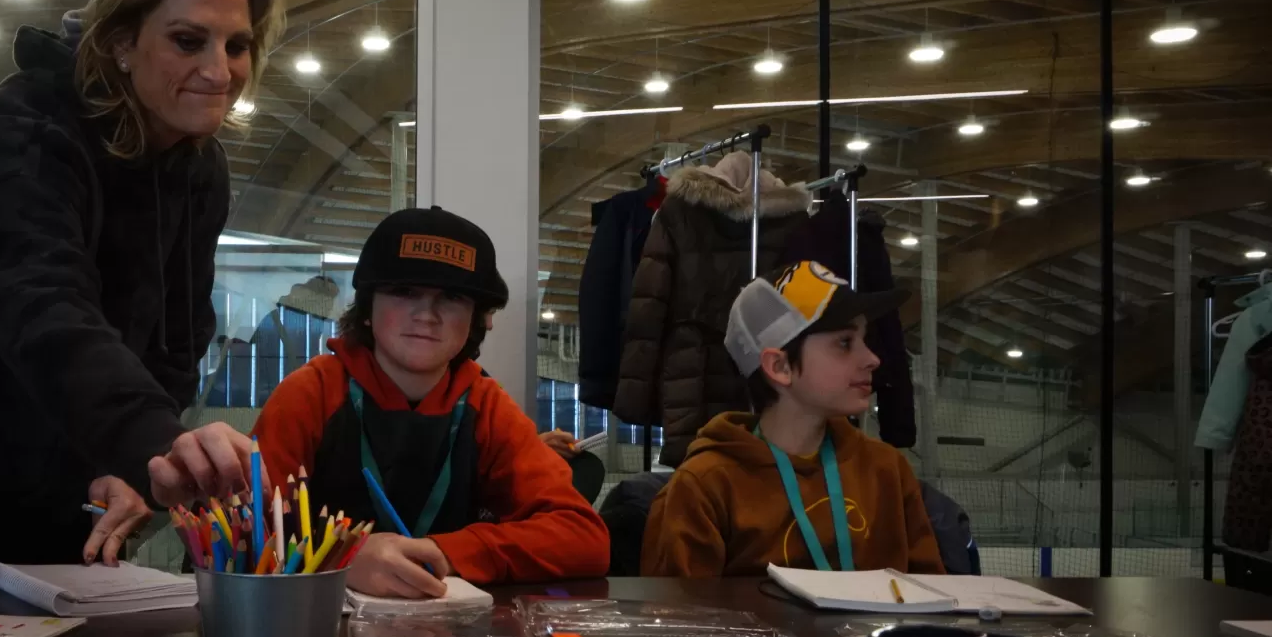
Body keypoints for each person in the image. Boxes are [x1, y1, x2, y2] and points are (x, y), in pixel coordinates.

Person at [0, 0, 285, 609]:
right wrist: (154, 444)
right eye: (187, 41)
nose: (219, 70)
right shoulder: (18, 138)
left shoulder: (199, 164)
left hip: (60, 491)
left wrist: (128, 467)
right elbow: (46, 317)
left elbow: (178, 337)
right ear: (121, 42)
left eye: (237, 45)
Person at [252, 207, 610, 598]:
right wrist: (340, 558)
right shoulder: (311, 393)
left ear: (477, 318)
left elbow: (584, 537)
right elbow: (243, 532)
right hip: (317, 635)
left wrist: (444, 551)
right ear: (367, 308)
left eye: (452, 297)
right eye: (404, 291)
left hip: (447, 630)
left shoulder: (486, 404)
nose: (427, 315)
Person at [641, 261, 944, 578]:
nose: (872, 359)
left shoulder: (887, 470)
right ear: (780, 367)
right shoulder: (705, 485)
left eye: (864, 339)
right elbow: (680, 619)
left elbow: (933, 603)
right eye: (844, 343)